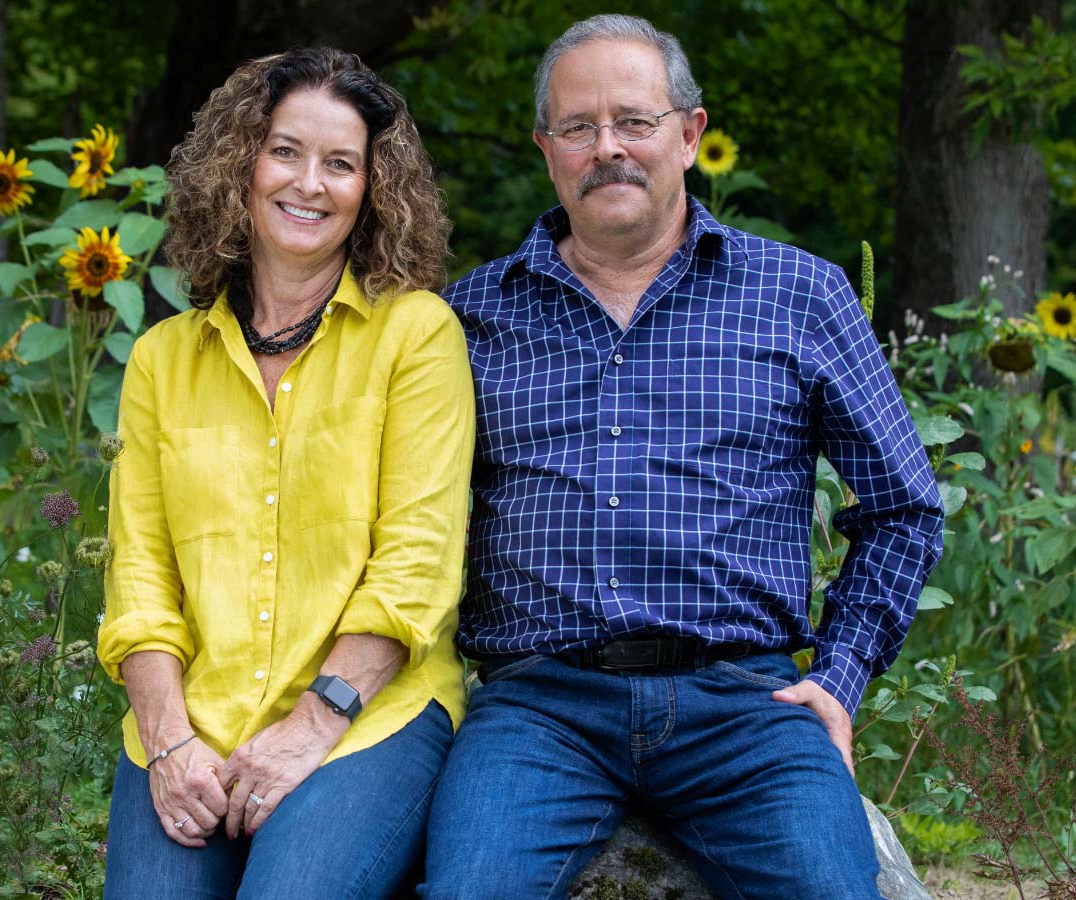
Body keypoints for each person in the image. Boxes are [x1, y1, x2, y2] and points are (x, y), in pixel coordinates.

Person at [421, 14, 945, 900]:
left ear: (691, 134)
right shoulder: (468, 317)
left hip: (745, 704)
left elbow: (903, 508)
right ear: (546, 149)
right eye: (579, 129)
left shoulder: (800, 295)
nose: (608, 149)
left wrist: (842, 678)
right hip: (538, 707)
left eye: (635, 121)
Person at [96, 47, 473, 900]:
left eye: (341, 163)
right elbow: (140, 578)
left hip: (368, 722)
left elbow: (416, 566)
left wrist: (310, 728)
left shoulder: (415, 336)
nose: (310, 183)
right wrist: (168, 741)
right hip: (192, 725)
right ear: (241, 165)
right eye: (286, 151)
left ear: (372, 189)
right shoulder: (161, 359)